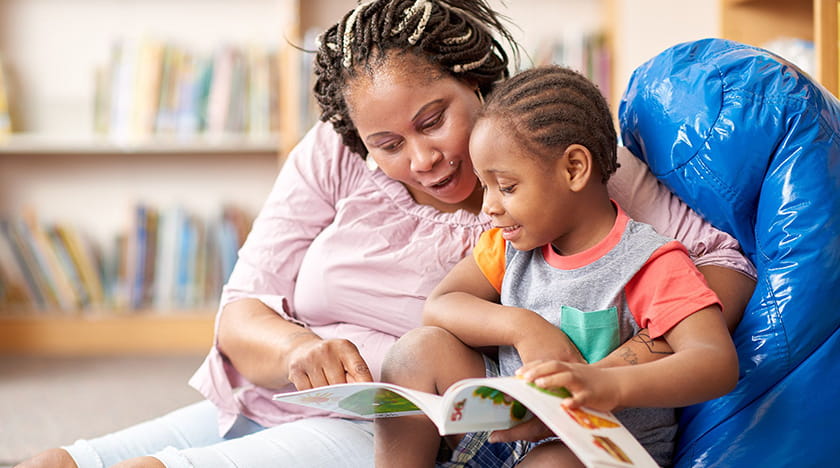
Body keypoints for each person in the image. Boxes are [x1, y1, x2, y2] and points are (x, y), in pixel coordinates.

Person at [16, 1, 755, 467]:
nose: (422, 158)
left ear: (478, 81)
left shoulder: (552, 159)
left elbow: (717, 265)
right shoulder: (336, 155)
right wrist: (300, 349)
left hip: (391, 423)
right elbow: (242, 312)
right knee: (62, 460)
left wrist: (623, 358)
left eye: (435, 120)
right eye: (388, 142)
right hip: (276, 394)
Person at [373, 65, 739, 468]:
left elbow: (715, 362)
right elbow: (441, 304)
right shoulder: (509, 243)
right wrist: (522, 327)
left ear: (574, 169)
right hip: (508, 435)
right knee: (415, 352)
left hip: (594, 448)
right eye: (485, 185)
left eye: (507, 187)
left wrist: (607, 384)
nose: (489, 206)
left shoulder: (649, 262)